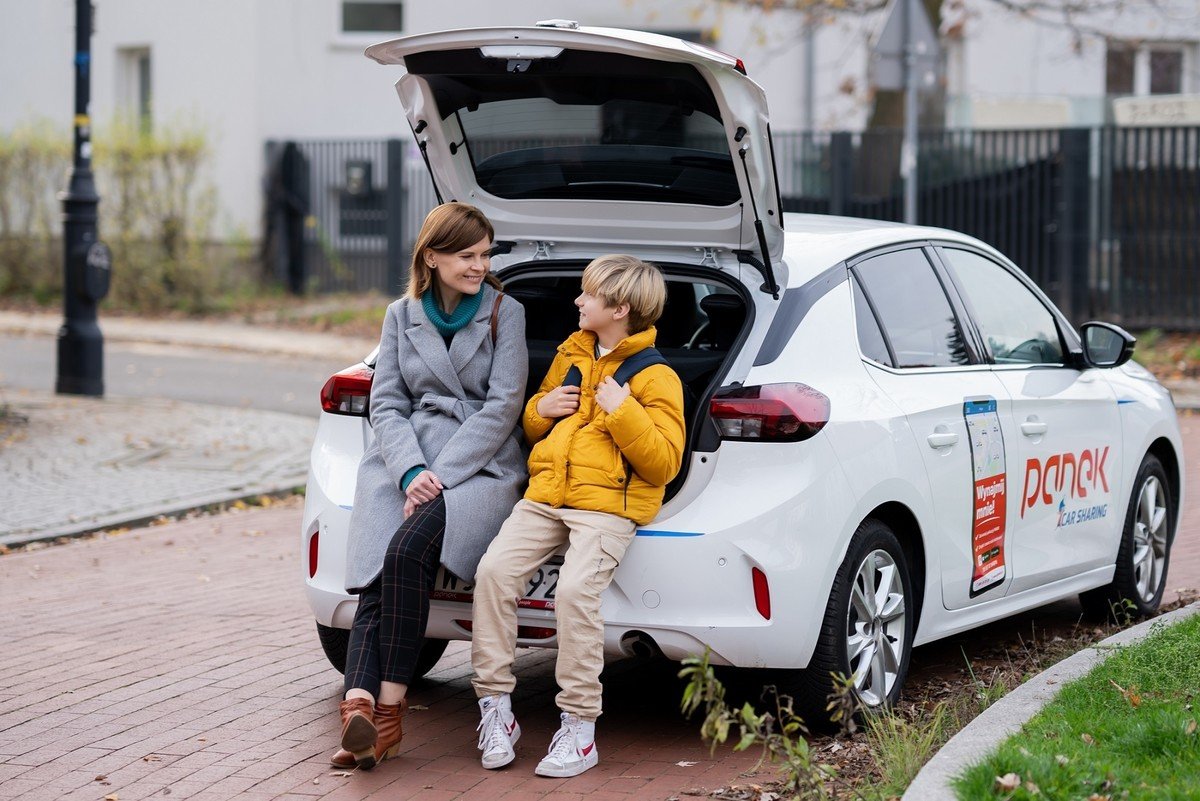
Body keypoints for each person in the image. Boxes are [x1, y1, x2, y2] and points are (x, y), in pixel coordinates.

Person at [470, 254, 686, 778]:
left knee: (573, 593)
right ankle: (496, 708)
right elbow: (537, 414)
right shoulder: (573, 352)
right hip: (547, 496)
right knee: (492, 574)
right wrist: (538, 412)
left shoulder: (658, 377)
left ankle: (580, 727)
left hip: (608, 508)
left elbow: (663, 463)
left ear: (620, 308)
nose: (577, 301)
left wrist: (623, 410)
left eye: (587, 295)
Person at [332, 202, 528, 770]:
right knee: (376, 574)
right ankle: (364, 711)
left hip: (480, 465)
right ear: (432, 257)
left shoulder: (503, 312)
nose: (478, 265)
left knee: (403, 551)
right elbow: (386, 402)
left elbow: (502, 407)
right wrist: (412, 471)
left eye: (485, 254)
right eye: (467, 255)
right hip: (404, 460)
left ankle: (386, 707)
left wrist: (441, 473)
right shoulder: (401, 314)